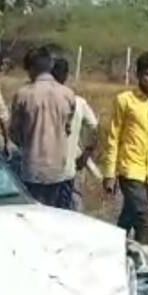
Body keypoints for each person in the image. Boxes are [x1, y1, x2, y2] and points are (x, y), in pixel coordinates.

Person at [101, 52, 148, 244]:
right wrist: (109, 173)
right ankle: (146, 258)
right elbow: (113, 137)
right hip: (129, 168)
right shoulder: (124, 100)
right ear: (139, 74)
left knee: (130, 214)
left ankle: (113, 246)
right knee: (142, 214)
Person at [10, 46, 75, 209]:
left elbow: (14, 133)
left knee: (33, 212)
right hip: (58, 168)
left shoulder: (23, 94)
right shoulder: (68, 94)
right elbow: (68, 129)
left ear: (31, 69)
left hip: (32, 167)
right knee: (54, 212)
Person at [51, 57, 99, 211]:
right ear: (66, 75)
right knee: (72, 205)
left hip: (43, 169)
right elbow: (94, 127)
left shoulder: (37, 99)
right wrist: (86, 154)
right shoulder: (78, 102)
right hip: (70, 166)